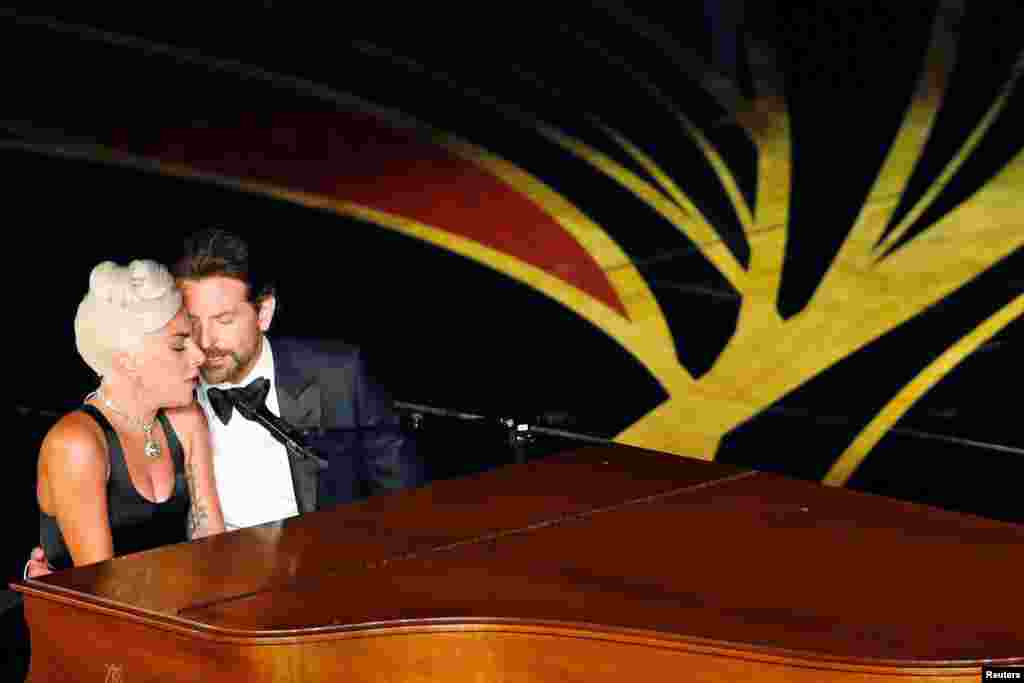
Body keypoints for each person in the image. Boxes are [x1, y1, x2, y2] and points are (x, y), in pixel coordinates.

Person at [38, 258, 225, 571]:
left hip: (182, 598)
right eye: (179, 346)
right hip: (99, 603)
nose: (199, 356)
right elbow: (103, 589)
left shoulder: (187, 420)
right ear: (128, 360)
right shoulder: (77, 444)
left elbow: (213, 549)